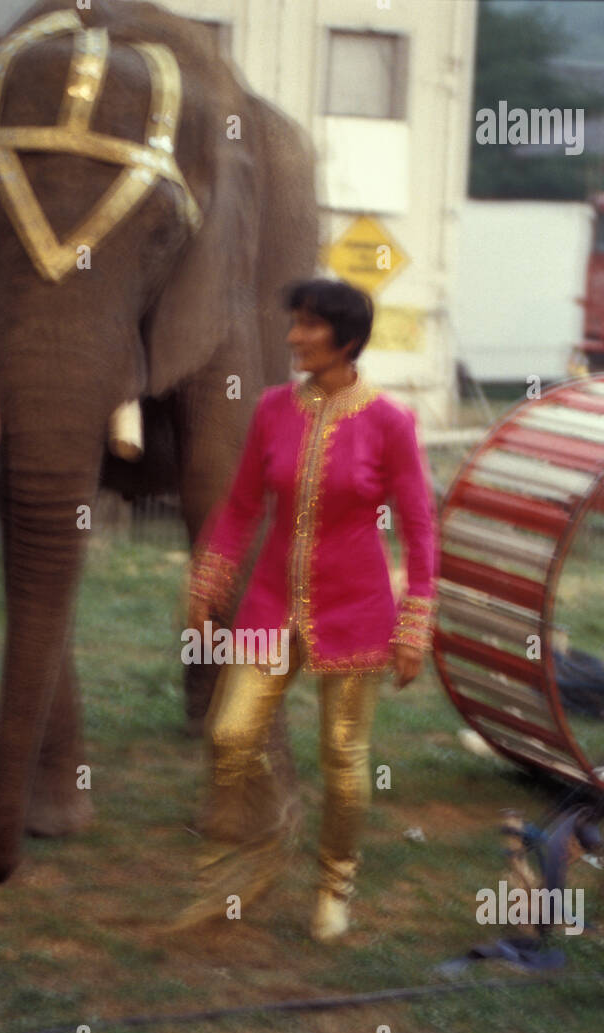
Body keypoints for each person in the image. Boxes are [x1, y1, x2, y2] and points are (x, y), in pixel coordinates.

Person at [170, 277, 438, 941]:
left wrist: (414, 624)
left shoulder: (390, 423)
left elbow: (419, 525)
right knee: (230, 734)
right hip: (268, 604)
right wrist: (210, 580)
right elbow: (240, 506)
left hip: (356, 608)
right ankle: (269, 831)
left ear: (345, 338)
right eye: (292, 323)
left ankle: (334, 883)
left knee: (344, 757)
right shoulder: (271, 409)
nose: (292, 337)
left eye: (307, 326)